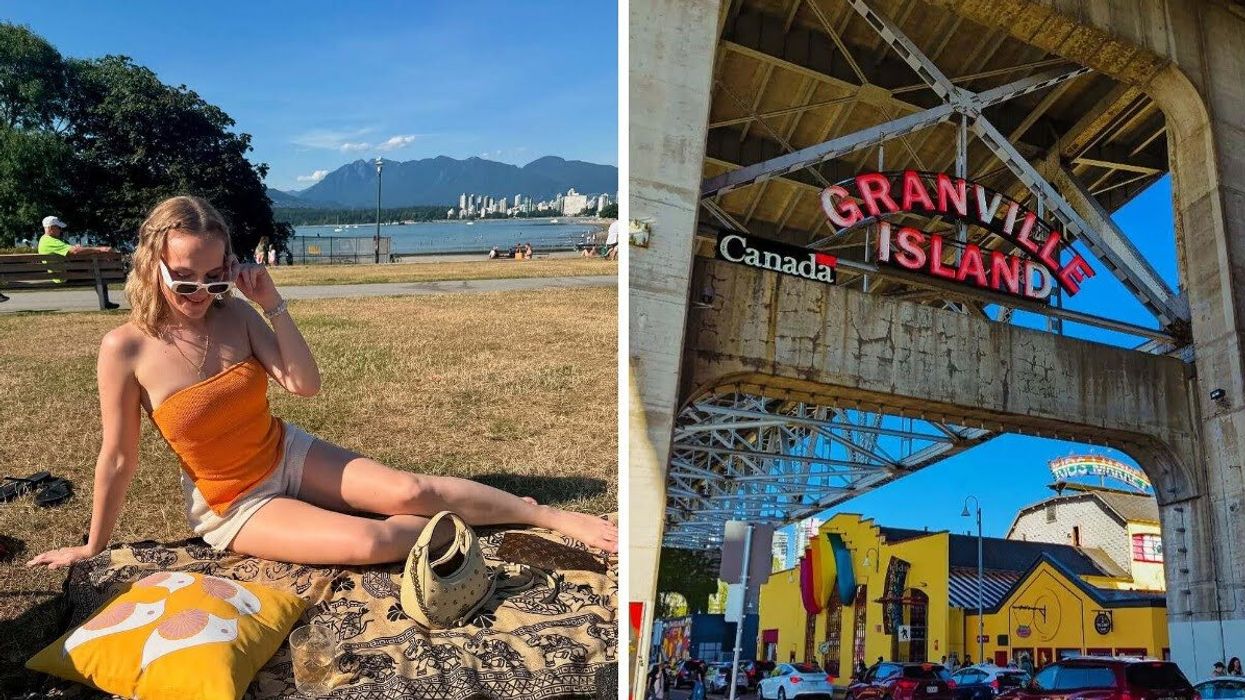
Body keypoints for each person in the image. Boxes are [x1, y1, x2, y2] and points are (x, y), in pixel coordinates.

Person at [25, 195, 618, 571]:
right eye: (184, 280)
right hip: (234, 501)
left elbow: (303, 386)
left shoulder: (235, 315)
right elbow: (118, 458)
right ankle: (471, 536)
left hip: (289, 452)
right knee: (372, 544)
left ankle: (543, 517)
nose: (200, 295)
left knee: (412, 491)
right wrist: (91, 545)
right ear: (151, 264)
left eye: (213, 278)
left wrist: (270, 300)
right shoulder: (124, 348)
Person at [38, 215, 119, 309]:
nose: (61, 230)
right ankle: (106, 302)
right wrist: (100, 249)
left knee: (96, 270)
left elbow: (72, 250)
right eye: (59, 228)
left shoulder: (46, 240)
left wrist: (77, 248)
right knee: (98, 274)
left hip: (63, 273)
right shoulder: (50, 241)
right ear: (51, 228)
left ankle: (106, 302)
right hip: (64, 276)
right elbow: (75, 251)